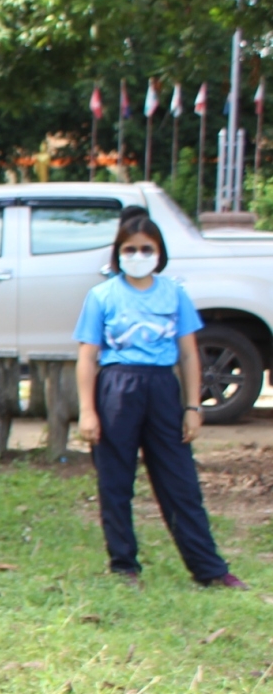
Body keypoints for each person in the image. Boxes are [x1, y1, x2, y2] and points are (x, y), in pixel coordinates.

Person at [75, 210, 246, 589]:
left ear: (159, 252)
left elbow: (188, 354)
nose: (138, 255)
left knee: (180, 482)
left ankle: (210, 570)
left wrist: (192, 406)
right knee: (116, 482)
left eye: (146, 248)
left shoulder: (174, 293)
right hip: (117, 389)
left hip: (162, 390)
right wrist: (87, 411)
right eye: (130, 249)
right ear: (118, 252)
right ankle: (124, 567)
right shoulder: (102, 296)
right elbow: (87, 357)